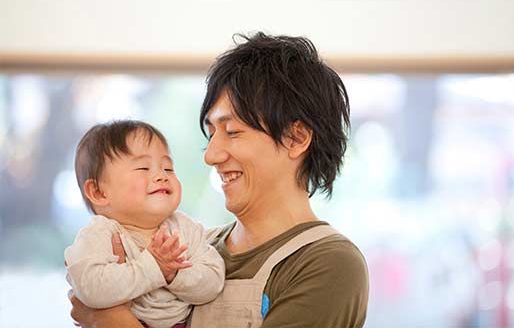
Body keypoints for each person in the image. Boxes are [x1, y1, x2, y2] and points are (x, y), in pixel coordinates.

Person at [69, 32, 369, 327]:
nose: (210, 155)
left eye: (233, 131)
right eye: (211, 133)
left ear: (295, 137)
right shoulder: (194, 245)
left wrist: (110, 320)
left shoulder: (328, 265)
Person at [65, 120, 225, 328]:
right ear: (98, 192)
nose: (161, 176)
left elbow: (213, 281)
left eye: (168, 168)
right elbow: (90, 288)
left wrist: (174, 274)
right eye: (143, 168)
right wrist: (153, 268)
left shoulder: (184, 228)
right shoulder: (99, 235)